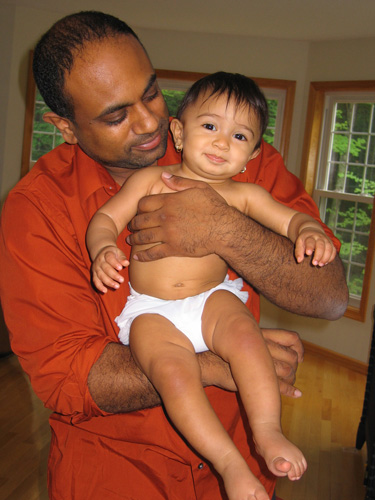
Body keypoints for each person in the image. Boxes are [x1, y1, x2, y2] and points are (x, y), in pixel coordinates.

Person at [0, 11, 348, 500]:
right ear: (66, 127)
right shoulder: (36, 209)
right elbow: (64, 379)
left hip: (244, 458)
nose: (150, 122)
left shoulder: (232, 152)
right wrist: (214, 364)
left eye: (151, 92)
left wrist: (225, 229)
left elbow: (330, 294)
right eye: (116, 115)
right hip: (113, 475)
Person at [86, 72, 336, 499]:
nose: (222, 143)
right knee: (171, 374)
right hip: (151, 309)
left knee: (245, 337)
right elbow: (106, 218)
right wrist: (104, 248)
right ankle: (230, 464)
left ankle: (267, 432)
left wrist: (311, 231)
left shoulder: (244, 196)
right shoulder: (150, 180)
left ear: (252, 154)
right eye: (210, 126)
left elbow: (290, 219)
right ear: (178, 134)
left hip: (212, 301)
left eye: (240, 136)